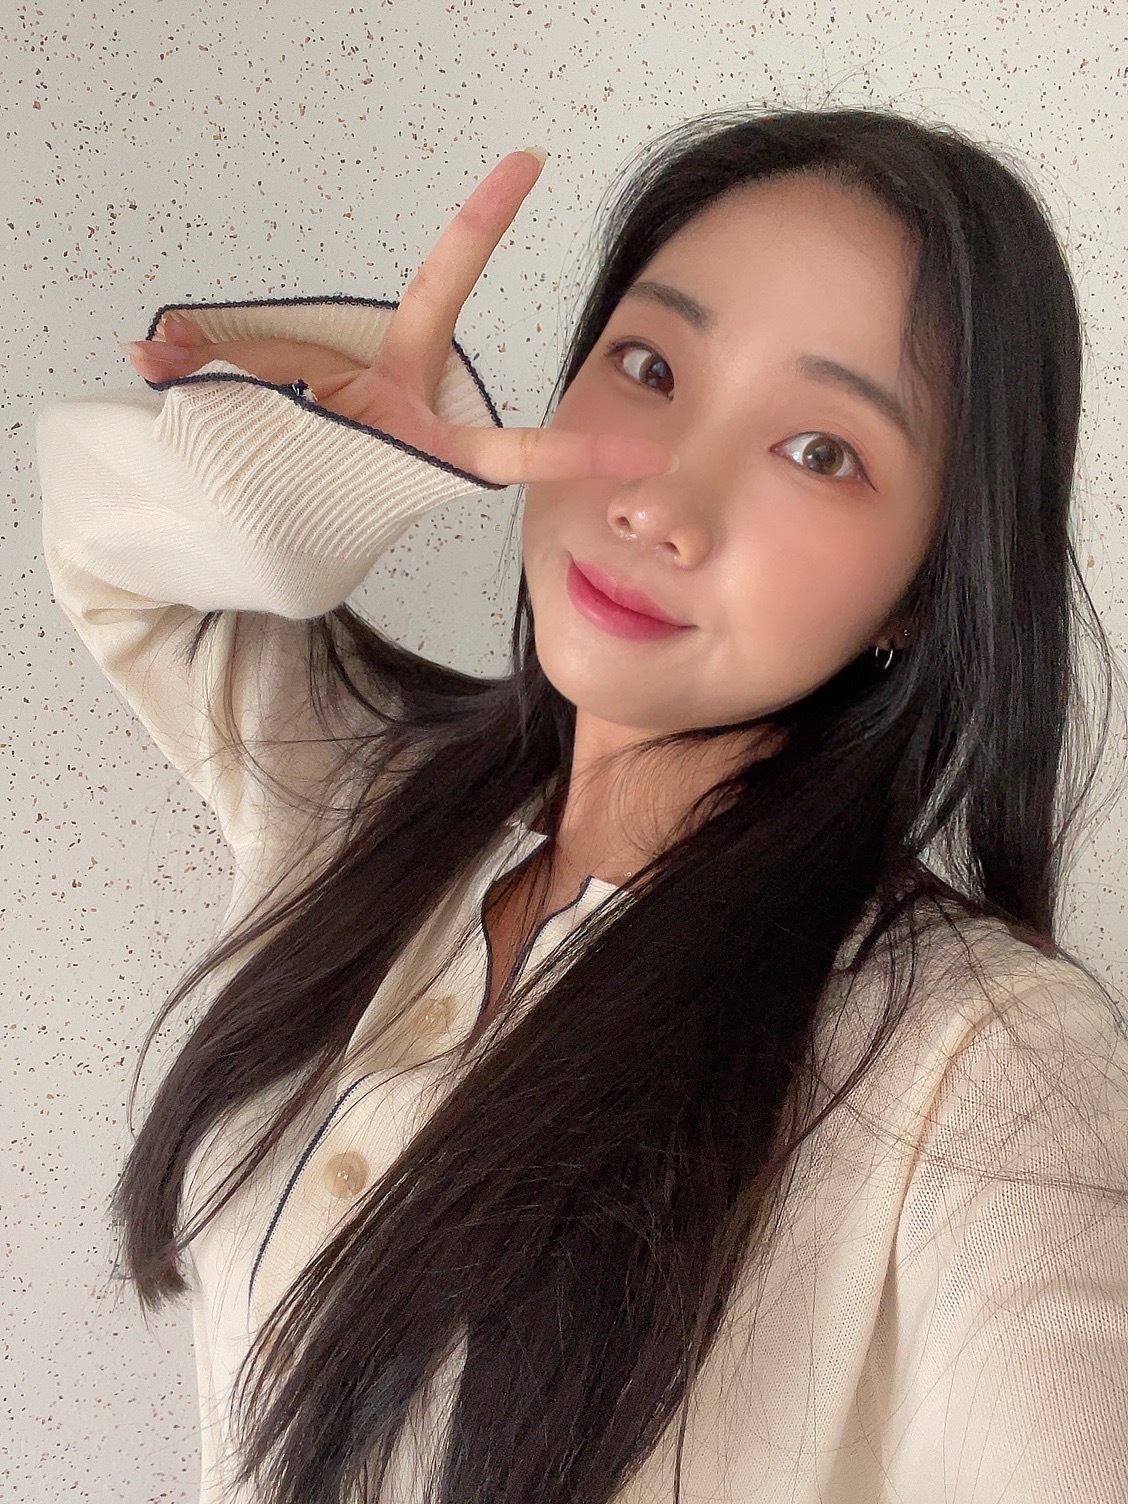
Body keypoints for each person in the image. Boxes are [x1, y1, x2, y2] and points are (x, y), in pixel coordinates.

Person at [37, 111, 1128, 1504]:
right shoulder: (365, 791)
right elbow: (110, 548)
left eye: (820, 451)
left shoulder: (979, 1059)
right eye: (651, 367)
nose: (662, 500)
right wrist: (338, 469)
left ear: (926, 587)